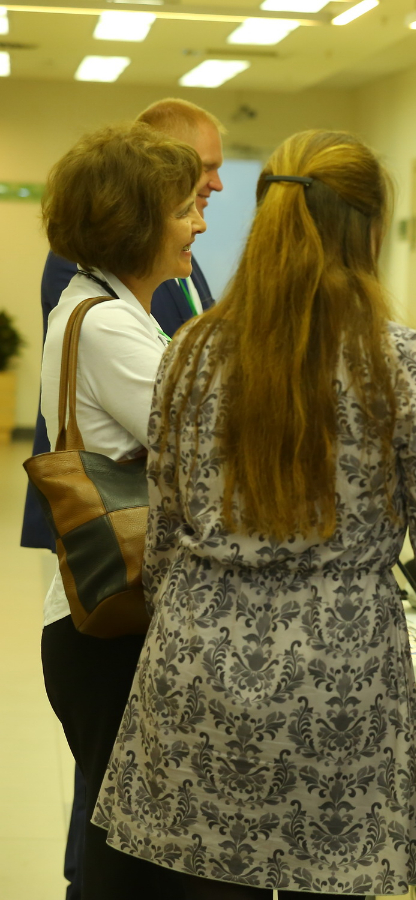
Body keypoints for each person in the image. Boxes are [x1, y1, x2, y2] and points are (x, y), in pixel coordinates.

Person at [91, 130, 416, 899]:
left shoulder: (191, 351)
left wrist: (194, 631)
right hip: (340, 686)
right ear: (369, 229)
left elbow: (164, 532)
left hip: (199, 667)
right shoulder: (402, 362)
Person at [21, 97, 224, 900]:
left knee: (130, 843)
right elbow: (215, 449)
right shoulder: (106, 325)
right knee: (126, 854)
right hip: (107, 628)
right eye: (183, 210)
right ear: (137, 225)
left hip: (110, 620)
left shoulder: (111, 310)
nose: (198, 225)